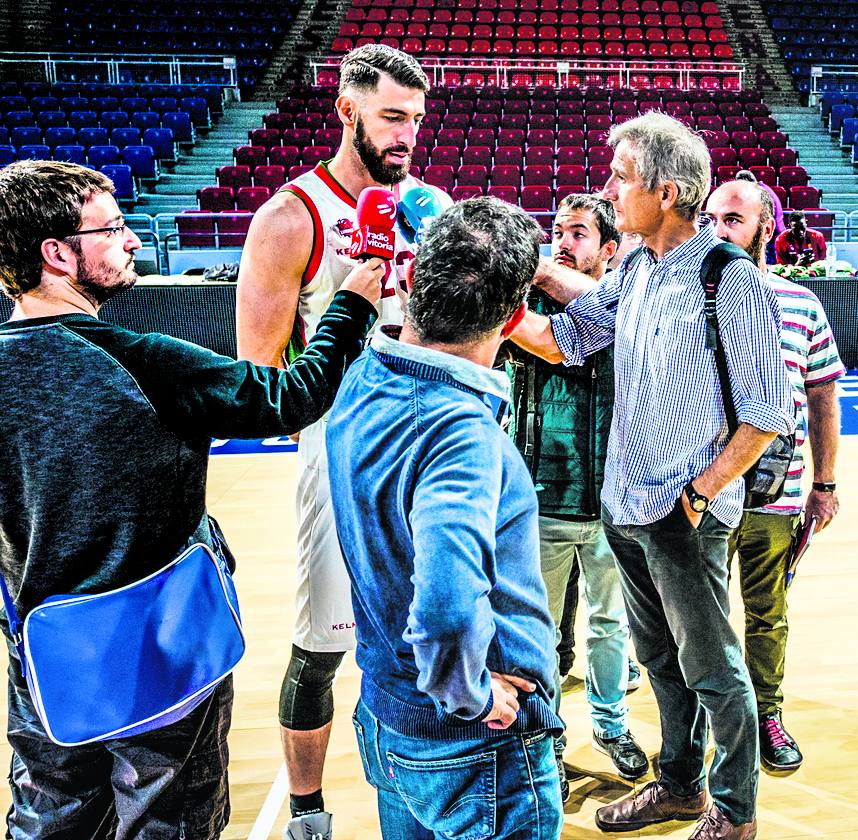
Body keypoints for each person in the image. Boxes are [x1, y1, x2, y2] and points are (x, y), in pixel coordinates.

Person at [0, 160, 383, 838]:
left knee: (50, 820)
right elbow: (290, 399)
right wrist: (350, 304)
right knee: (170, 822)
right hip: (162, 649)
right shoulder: (143, 360)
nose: (133, 241)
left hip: (44, 655)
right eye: (112, 228)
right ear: (56, 253)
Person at [510, 112, 795, 840]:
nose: (609, 190)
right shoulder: (636, 266)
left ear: (666, 192)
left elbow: (766, 413)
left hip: (684, 511)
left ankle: (735, 812)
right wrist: (500, 300)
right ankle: (678, 786)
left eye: (621, 178)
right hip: (627, 506)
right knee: (662, 663)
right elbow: (569, 338)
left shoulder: (729, 278)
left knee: (713, 670)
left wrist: (699, 495)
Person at [235, 45, 450, 839]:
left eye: (417, 120)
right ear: (346, 110)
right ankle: (307, 812)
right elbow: (260, 381)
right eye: (393, 117)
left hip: (428, 455)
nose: (407, 136)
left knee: (434, 635)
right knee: (321, 646)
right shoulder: (290, 217)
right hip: (339, 459)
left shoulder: (432, 206)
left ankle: (427, 787)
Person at [326, 196, 564, 839]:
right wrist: (476, 697)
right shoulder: (459, 431)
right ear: (516, 317)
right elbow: (448, 608)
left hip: (389, 710)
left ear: (411, 281)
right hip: (471, 747)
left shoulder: (363, 375)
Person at [507, 194, 647, 787]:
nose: (563, 242)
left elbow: (597, 317)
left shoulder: (631, 303)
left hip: (613, 499)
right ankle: (548, 740)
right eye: (557, 232)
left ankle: (611, 726)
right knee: (537, 632)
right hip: (540, 499)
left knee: (611, 626)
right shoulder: (522, 306)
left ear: (609, 248)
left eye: (579, 233)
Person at [705, 179, 844, 772]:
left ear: (767, 227)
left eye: (733, 220)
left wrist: (826, 483)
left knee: (768, 612)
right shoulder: (689, 297)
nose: (717, 231)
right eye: (709, 218)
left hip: (777, 495)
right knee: (696, 617)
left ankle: (766, 711)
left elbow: (822, 397)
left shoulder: (800, 304)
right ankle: (704, 720)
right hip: (701, 492)